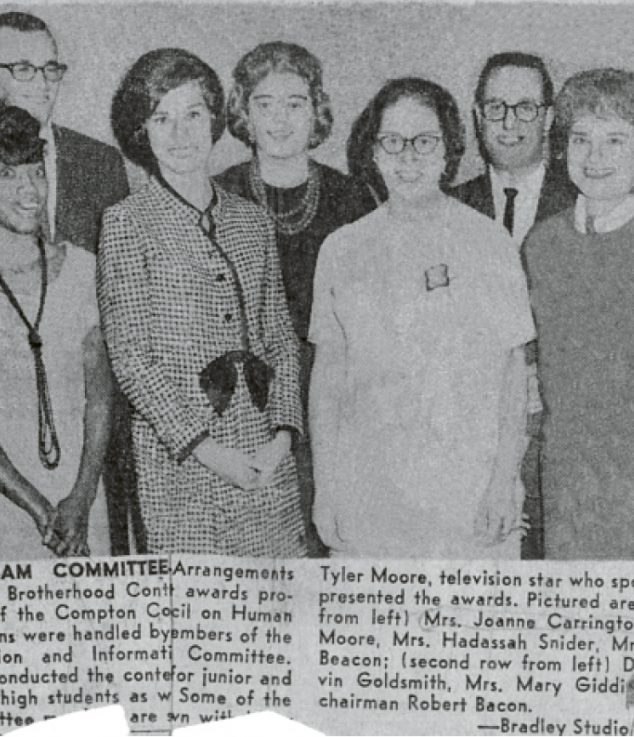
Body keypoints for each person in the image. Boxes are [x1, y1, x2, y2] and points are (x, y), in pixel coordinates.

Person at [0, 11, 132, 557]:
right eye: (23, 69)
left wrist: (84, 494)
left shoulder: (101, 166)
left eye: (50, 69)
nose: (41, 83)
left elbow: (103, 376)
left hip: (85, 464)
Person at [309, 77, 535, 558]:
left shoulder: (488, 243)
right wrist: (326, 489)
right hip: (369, 494)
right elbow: (328, 379)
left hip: (467, 499)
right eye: (393, 141)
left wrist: (502, 483)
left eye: (424, 142)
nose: (407, 157)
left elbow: (512, 375)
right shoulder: (342, 249)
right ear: (373, 151)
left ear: (448, 149)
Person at [98, 49, 305, 557]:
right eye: (161, 118)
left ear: (215, 118)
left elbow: (278, 334)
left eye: (193, 114)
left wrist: (282, 434)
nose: (180, 133)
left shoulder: (251, 220)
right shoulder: (126, 222)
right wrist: (210, 452)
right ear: (141, 131)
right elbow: (132, 360)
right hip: (183, 462)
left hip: (263, 455)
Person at [524, 68, 634, 559]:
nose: (594, 157)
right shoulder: (543, 246)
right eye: (580, 138)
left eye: (615, 139)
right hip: (570, 494)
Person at [215, 42, 374, 555]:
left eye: (295, 103)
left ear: (316, 110)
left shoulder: (353, 197)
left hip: (335, 392)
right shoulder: (218, 193)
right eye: (264, 104)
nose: (280, 121)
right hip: (246, 394)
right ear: (244, 111)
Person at [451, 52, 577, 559]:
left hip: (560, 447)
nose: (508, 123)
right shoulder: (446, 206)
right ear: (478, 116)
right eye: (496, 107)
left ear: (548, 117)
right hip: (472, 444)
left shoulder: (585, 200)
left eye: (525, 108)